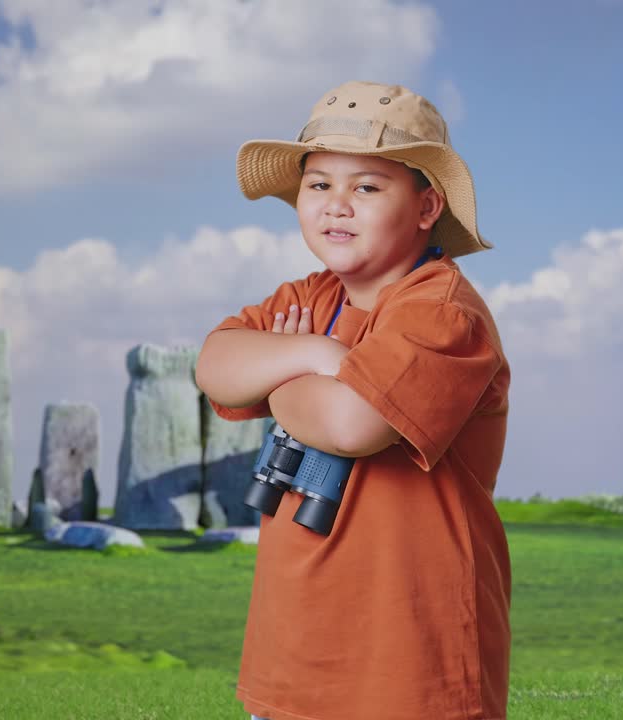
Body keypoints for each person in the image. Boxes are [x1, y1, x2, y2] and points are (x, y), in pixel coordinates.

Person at [195, 80, 511, 720]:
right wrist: (318, 357)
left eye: (366, 187)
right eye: (319, 185)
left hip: (411, 662)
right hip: (295, 652)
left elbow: (350, 424)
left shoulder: (442, 312)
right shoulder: (313, 298)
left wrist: (276, 374)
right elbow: (214, 366)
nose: (337, 204)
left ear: (427, 207)